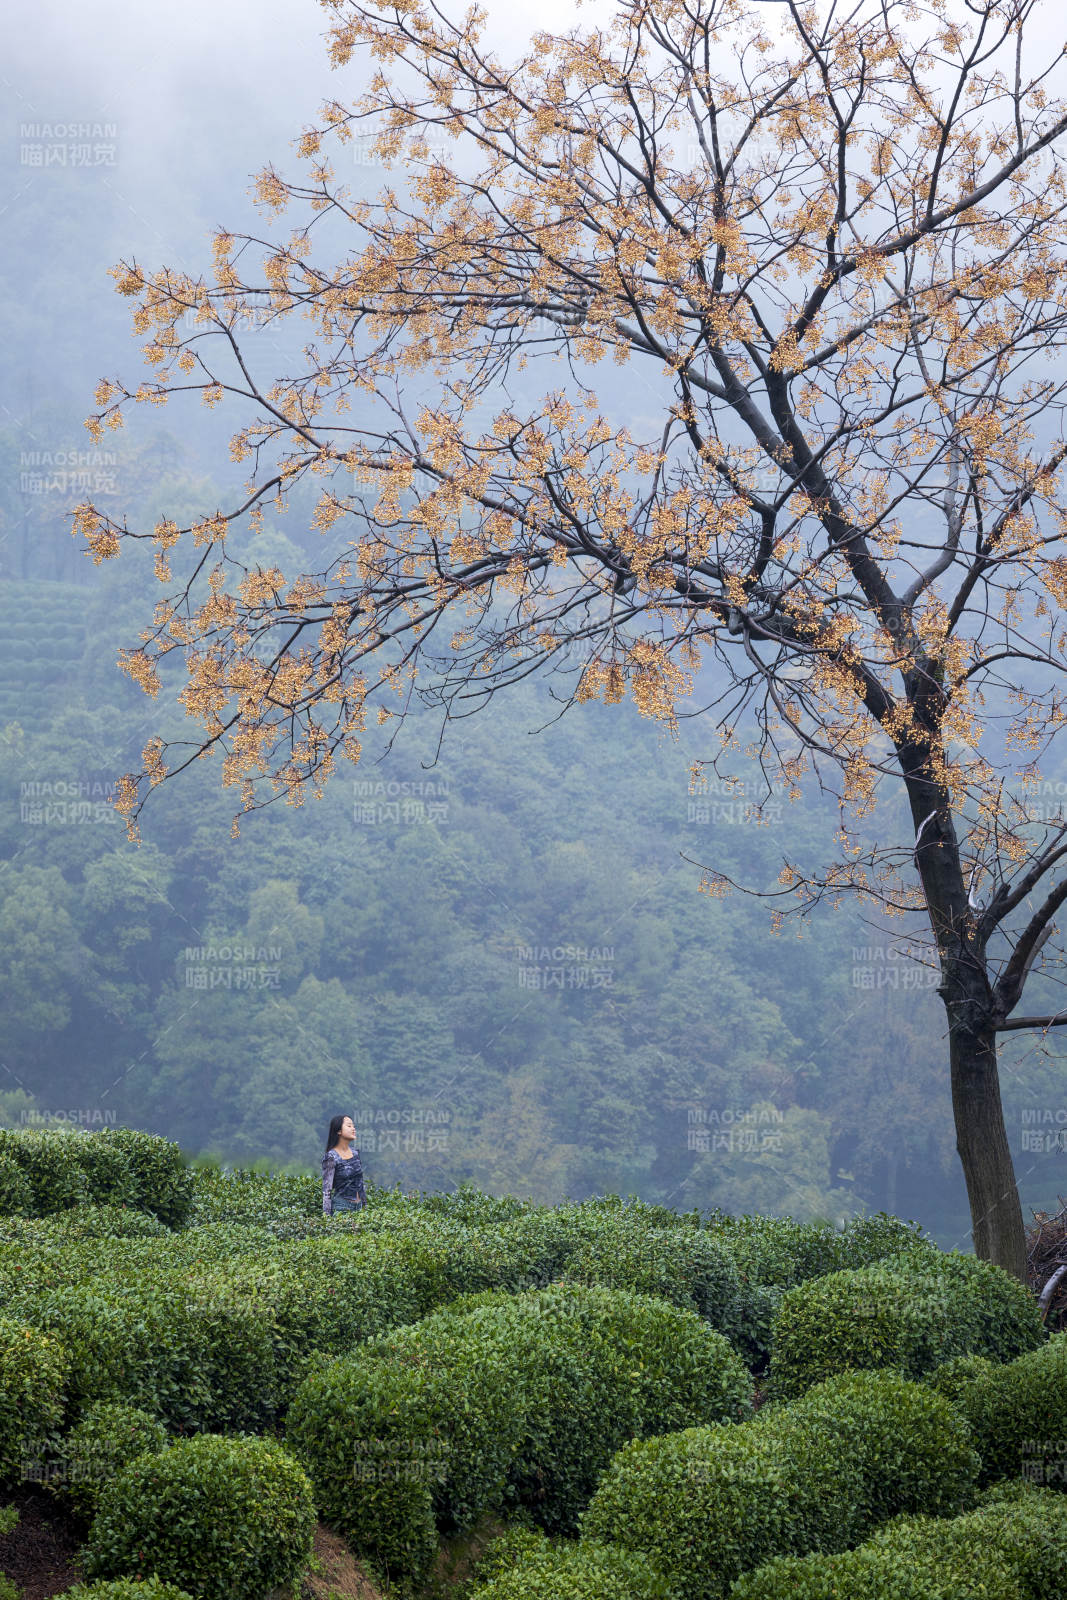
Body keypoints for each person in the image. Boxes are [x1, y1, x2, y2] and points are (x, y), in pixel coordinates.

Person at [322, 1113, 367, 1216]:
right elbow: (327, 1190)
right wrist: (327, 1218)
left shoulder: (355, 1153)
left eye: (353, 1126)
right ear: (339, 1131)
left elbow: (360, 1183)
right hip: (341, 1208)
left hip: (359, 1208)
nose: (353, 1129)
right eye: (349, 1126)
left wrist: (365, 1206)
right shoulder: (331, 1157)